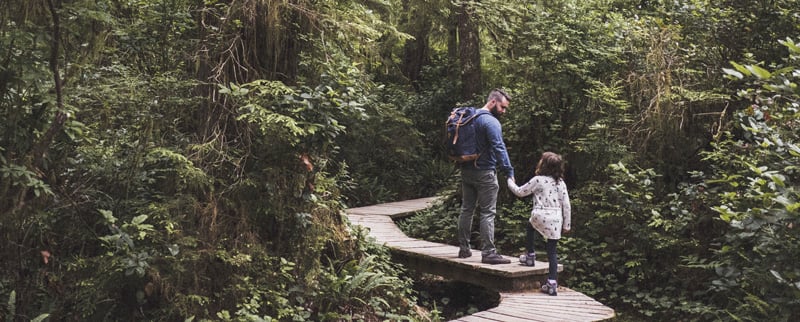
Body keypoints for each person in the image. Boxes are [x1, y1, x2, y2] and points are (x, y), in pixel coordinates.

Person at [457, 89, 515, 265]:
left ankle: (464, 249)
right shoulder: (490, 122)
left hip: (466, 170)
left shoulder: (469, 118)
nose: (503, 111)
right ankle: (489, 252)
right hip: (485, 172)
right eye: (502, 107)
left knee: (467, 209)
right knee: (488, 212)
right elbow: (499, 147)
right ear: (492, 102)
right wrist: (509, 171)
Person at [507, 152, 571, 295]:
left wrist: (510, 181)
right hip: (556, 218)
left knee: (530, 227)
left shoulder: (538, 180)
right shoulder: (561, 183)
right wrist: (567, 225)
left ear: (543, 165)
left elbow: (520, 192)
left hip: (540, 215)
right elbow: (566, 205)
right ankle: (552, 283)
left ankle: (530, 255)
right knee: (552, 252)